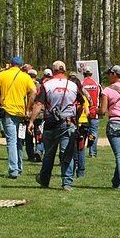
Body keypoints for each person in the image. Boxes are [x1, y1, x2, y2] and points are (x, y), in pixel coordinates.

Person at [29, 60, 81, 191]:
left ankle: (45, 180)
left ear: (53, 70)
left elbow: (39, 104)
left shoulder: (47, 85)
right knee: (66, 153)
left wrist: (31, 121)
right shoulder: (73, 85)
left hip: (51, 122)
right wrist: (76, 117)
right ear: (64, 70)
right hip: (68, 122)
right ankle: (67, 183)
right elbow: (81, 103)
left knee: (49, 154)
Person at [0, 56, 34, 179]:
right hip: (21, 112)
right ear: (21, 66)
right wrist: (28, 108)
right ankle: (19, 167)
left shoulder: (2, 75)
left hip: (8, 111)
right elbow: (34, 91)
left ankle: (13, 169)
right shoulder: (25, 77)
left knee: (11, 141)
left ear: (10, 64)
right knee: (19, 141)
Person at [80, 69, 103, 158]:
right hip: (94, 112)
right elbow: (102, 96)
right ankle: (92, 152)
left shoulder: (81, 83)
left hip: (84, 112)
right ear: (91, 73)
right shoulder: (97, 84)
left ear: (84, 73)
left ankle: (81, 150)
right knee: (93, 133)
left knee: (82, 133)